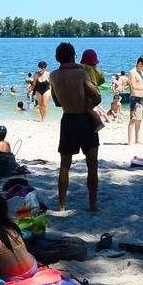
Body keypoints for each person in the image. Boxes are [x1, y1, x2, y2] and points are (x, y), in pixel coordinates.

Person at [50, 41, 102, 212]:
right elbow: (97, 97)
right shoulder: (81, 73)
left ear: (57, 58)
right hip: (84, 119)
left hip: (68, 119)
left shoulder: (53, 75)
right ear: (74, 55)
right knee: (92, 164)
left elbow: (57, 102)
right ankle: (93, 204)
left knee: (65, 164)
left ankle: (61, 204)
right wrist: (88, 106)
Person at [127, 56, 143, 144]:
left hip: (141, 98)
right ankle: (130, 141)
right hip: (134, 98)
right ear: (140, 63)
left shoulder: (140, 72)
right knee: (133, 119)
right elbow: (133, 86)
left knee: (139, 120)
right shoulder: (132, 72)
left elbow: (140, 86)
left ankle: (137, 140)